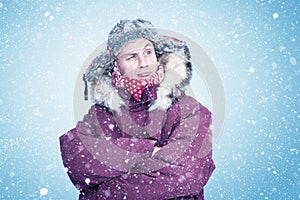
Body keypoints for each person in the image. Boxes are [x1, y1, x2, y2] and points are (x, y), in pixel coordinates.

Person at [59, 19, 215, 200]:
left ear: (158, 56)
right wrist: (148, 149)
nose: (143, 63)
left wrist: (101, 192)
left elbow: (187, 176)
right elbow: (76, 159)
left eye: (148, 52)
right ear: (115, 66)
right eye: (131, 56)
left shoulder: (191, 111)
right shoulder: (101, 114)